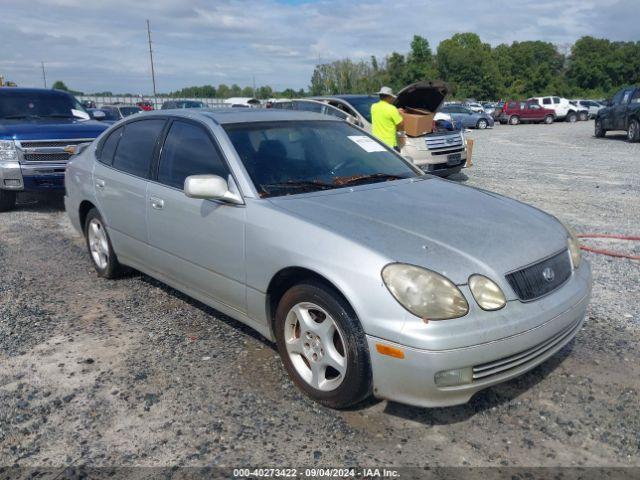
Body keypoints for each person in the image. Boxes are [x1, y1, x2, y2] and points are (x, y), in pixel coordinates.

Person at [371, 86, 404, 151]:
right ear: (388, 97)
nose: (392, 99)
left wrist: (396, 111)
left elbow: (384, 112)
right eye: (391, 97)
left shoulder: (373, 107)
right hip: (390, 145)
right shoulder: (392, 109)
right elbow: (400, 125)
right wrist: (401, 115)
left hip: (377, 142)